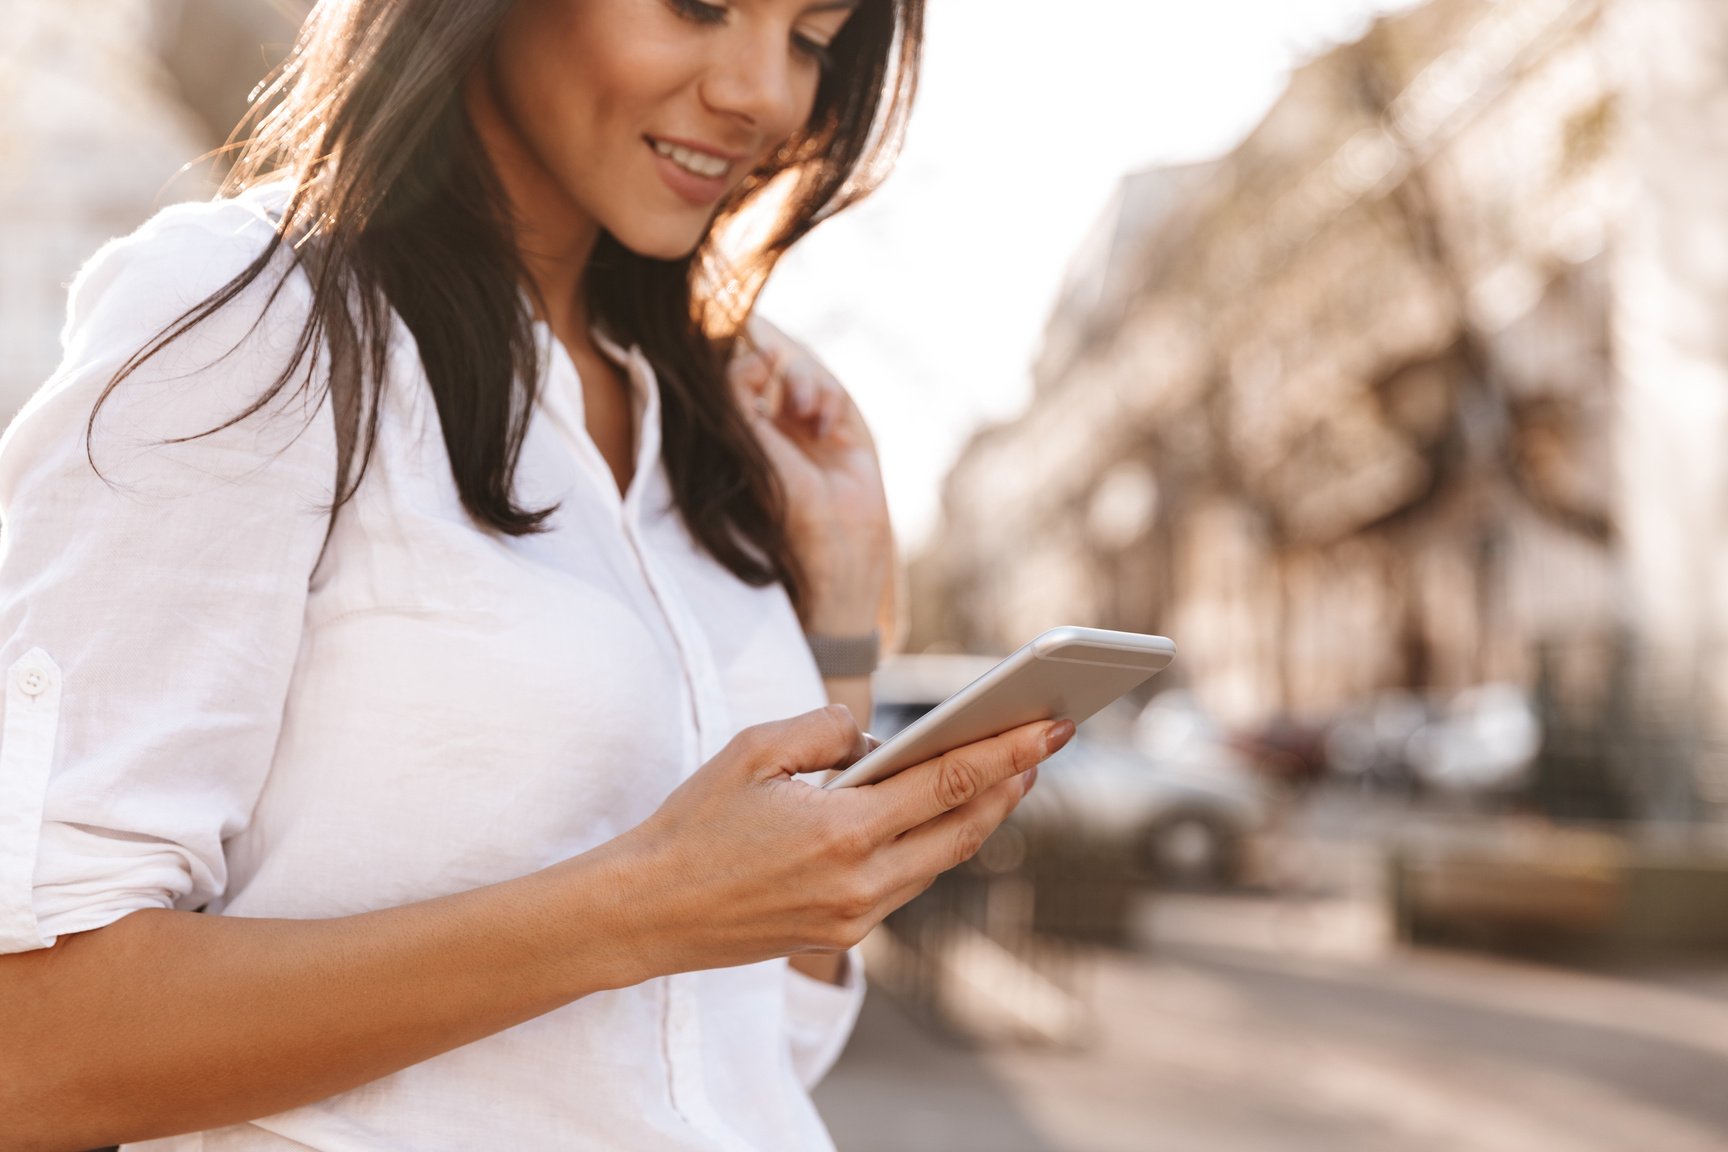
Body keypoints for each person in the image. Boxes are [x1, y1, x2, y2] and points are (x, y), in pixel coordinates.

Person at [0, 1, 1074, 1149]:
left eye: (812, 38)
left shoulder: (706, 427)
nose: (766, 92)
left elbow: (743, 1062)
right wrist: (643, 907)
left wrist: (846, 611)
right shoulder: (253, 319)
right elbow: (33, 1050)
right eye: (701, 5)